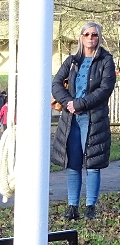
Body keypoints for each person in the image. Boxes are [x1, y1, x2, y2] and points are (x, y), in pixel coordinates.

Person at [52, 22, 115, 221]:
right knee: (73, 162)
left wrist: (81, 103)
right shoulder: (72, 61)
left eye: (94, 34)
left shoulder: (106, 60)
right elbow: (56, 84)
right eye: (86, 34)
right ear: (81, 37)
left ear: (99, 37)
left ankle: (90, 206)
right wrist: (69, 102)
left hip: (94, 118)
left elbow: (105, 89)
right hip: (71, 119)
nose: (90, 38)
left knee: (92, 163)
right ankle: (72, 206)